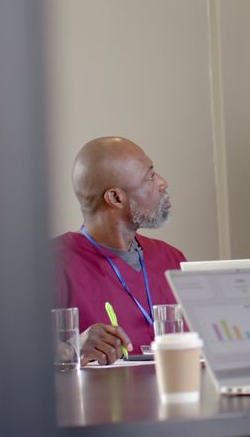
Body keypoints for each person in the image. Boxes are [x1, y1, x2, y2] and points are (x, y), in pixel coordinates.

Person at [54, 137, 187, 365]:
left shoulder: (172, 259)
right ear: (116, 197)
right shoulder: (54, 264)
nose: (162, 183)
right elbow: (9, 357)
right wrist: (71, 349)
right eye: (150, 177)